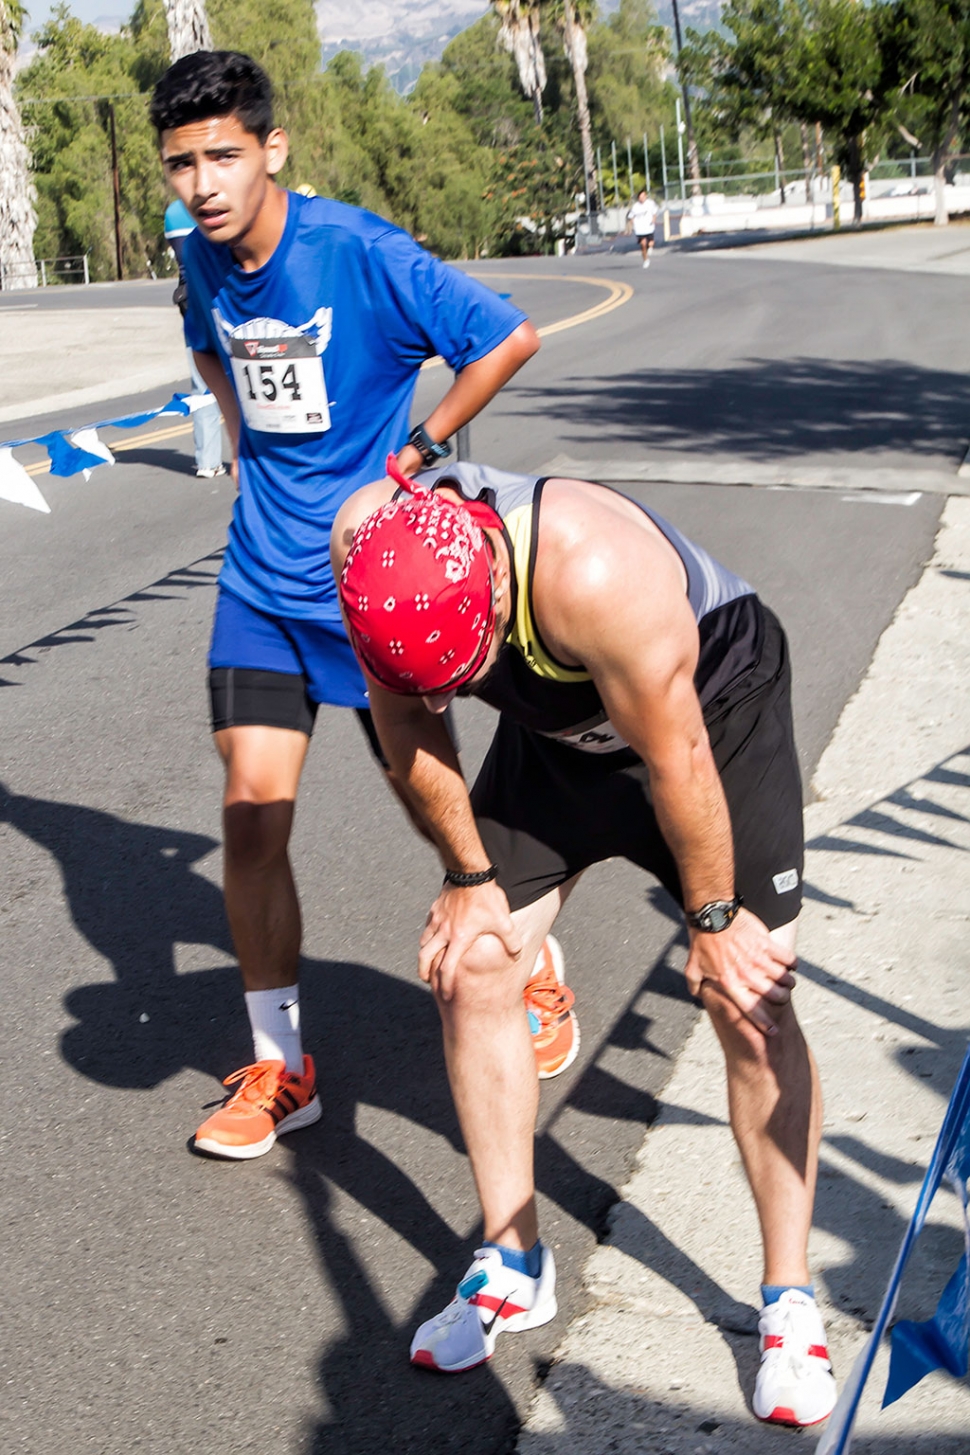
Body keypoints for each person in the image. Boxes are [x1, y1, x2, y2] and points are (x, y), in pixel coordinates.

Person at [331, 461, 838, 1429]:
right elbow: (404, 732)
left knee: (748, 999)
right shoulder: (367, 550)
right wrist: (471, 882)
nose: (447, 704)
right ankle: (514, 1261)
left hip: (706, 723)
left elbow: (676, 759)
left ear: (488, 587)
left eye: (459, 683)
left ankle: (788, 1298)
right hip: (558, 734)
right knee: (472, 963)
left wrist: (714, 921)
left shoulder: (596, 571)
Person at [149, 50, 576, 1160]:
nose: (201, 183)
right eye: (181, 163)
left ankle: (526, 959)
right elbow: (209, 351)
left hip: (364, 583)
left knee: (426, 799)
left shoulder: (357, 251)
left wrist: (420, 453)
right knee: (250, 806)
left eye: (223, 157)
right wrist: (246, 448)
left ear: (271, 150)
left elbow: (505, 335)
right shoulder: (197, 260)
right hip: (258, 581)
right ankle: (282, 1065)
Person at [163, 196, 226, 479]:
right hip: (218, 300)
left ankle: (207, 461)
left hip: (189, 302)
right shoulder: (211, 207)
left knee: (202, 386)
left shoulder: (172, 214)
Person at [627, 188, 659, 268]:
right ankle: (646, 260)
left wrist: (653, 219)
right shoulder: (635, 207)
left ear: (646, 196)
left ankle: (650, 248)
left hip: (649, 227)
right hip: (640, 229)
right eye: (640, 197)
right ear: (638, 198)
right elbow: (631, 216)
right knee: (643, 244)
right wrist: (633, 223)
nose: (642, 198)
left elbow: (654, 213)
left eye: (643, 196)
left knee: (651, 243)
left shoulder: (650, 204)